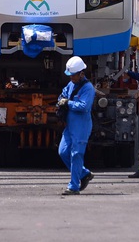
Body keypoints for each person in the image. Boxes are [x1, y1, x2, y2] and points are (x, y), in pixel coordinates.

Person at [57, 56, 96, 195]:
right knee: (63, 151)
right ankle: (84, 173)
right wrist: (61, 102)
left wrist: (68, 103)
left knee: (76, 154)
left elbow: (84, 106)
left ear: (81, 74)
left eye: (73, 75)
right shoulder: (71, 85)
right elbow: (63, 96)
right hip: (70, 125)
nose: (71, 78)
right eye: (70, 75)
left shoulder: (88, 88)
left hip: (81, 126)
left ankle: (73, 186)